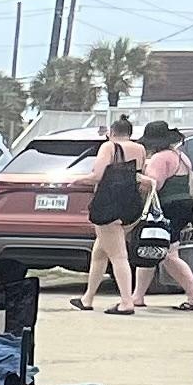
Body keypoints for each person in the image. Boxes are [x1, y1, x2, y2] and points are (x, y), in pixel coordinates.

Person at [77, 111, 147, 314]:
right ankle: (87, 297)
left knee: (118, 256)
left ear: (111, 133)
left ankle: (126, 302)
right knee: (100, 252)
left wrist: (75, 179)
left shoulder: (108, 147)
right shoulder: (140, 149)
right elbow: (140, 175)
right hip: (131, 206)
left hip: (109, 206)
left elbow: (97, 175)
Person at [136, 120, 193, 311]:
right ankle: (137, 295)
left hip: (167, 207)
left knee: (168, 253)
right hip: (184, 205)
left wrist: (136, 177)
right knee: (150, 249)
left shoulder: (160, 158)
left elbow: (154, 184)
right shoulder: (181, 157)